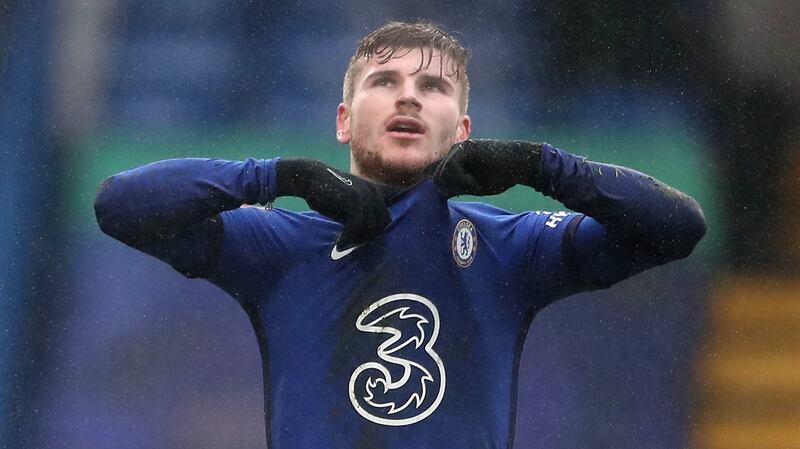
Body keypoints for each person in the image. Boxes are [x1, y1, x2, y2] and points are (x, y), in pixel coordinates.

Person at [94, 21, 706, 449]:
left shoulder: (511, 247)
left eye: (432, 87)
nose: (408, 95)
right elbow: (120, 205)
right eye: (384, 82)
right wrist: (278, 175)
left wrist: (542, 166)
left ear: (461, 128)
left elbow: (677, 227)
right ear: (343, 119)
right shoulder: (281, 244)